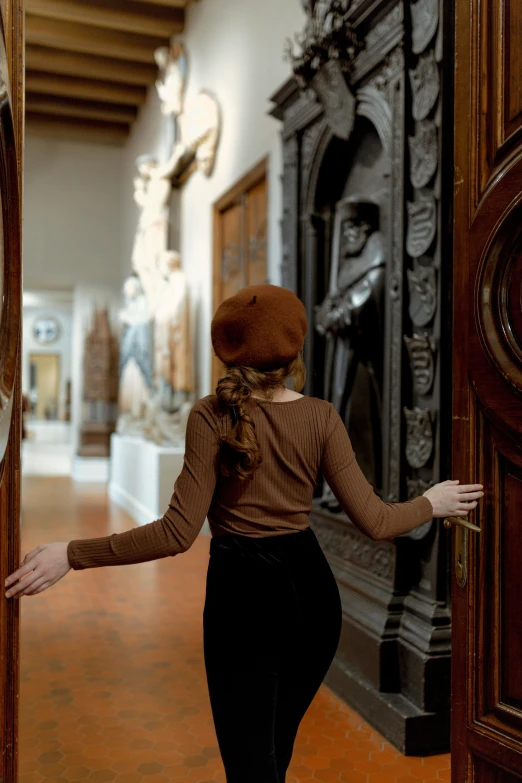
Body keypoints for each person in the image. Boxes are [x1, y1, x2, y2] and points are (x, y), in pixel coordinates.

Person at [5, 284, 484, 783]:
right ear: (295, 346)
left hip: (243, 600)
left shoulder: (211, 415)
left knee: (251, 765)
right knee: (274, 750)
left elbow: (175, 533)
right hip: (312, 601)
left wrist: (73, 554)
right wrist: (432, 504)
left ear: (226, 347)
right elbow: (378, 521)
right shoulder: (320, 416)